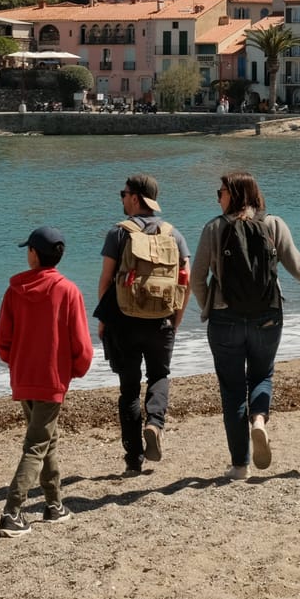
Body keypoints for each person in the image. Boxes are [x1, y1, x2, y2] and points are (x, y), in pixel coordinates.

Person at [192, 171, 300, 481]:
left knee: (232, 389)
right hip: (268, 316)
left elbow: (196, 279)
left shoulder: (214, 228)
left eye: (221, 192)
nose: (218, 197)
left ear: (235, 194)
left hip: (225, 319)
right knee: (262, 375)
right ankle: (259, 421)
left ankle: (239, 466)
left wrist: (210, 306)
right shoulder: (274, 225)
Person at [0, 226, 94, 537]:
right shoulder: (68, 291)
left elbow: (3, 341)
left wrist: (18, 364)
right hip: (51, 379)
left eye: (28, 249)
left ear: (34, 254)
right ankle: (12, 511)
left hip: (24, 377)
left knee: (46, 438)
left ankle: (53, 504)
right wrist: (72, 371)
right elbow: (82, 346)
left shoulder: (14, 291)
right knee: (38, 443)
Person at [94, 174, 188, 475]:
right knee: (159, 375)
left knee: (129, 390)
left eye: (123, 194)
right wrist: (175, 320)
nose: (122, 199)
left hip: (124, 321)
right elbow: (184, 281)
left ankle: (133, 458)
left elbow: (106, 281)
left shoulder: (118, 233)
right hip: (162, 320)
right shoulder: (173, 234)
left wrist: (103, 320)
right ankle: (155, 423)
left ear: (135, 198)